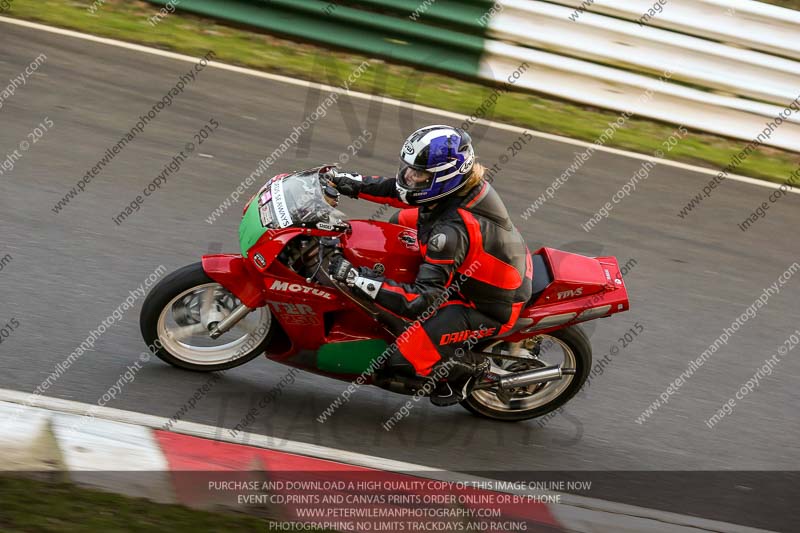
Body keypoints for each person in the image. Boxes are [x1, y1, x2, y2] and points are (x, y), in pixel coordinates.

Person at [326, 125, 532, 406]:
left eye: (419, 173)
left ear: (443, 178)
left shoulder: (449, 233)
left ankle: (471, 373)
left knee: (397, 365)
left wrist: (356, 279)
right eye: (409, 168)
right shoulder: (454, 187)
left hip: (485, 305)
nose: (409, 176)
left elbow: (423, 301)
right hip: (487, 261)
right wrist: (345, 181)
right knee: (399, 223)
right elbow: (398, 190)